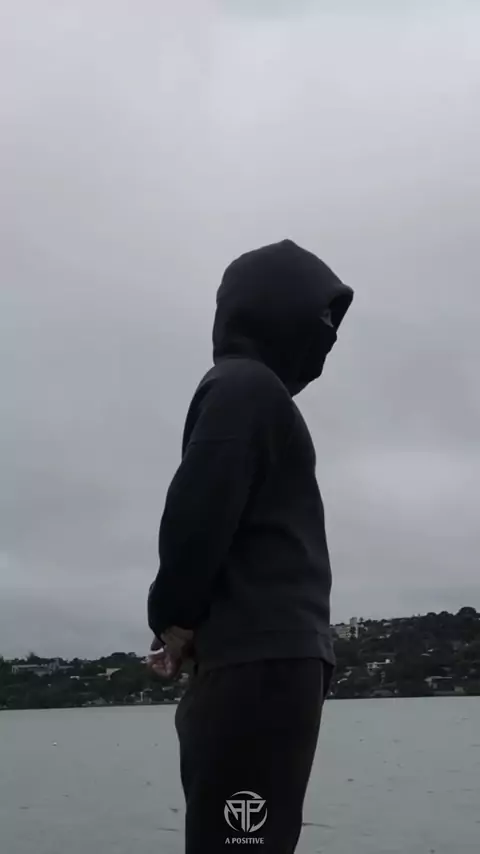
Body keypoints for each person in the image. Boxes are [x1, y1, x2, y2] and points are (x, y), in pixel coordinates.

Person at [147, 239, 353, 853]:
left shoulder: (241, 388)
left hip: (257, 664)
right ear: (272, 309)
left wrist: (171, 617)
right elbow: (212, 513)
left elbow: (198, 510)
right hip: (279, 659)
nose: (326, 335)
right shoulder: (255, 392)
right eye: (319, 316)